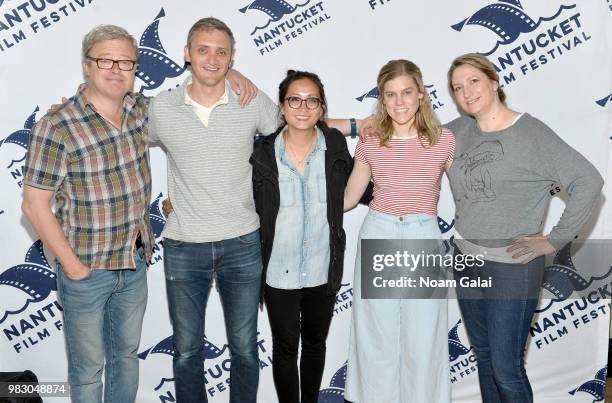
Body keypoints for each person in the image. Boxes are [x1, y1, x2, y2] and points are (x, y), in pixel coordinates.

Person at [150, 17, 363, 403]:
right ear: (186, 54)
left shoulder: (251, 102)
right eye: (203, 50)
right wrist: (79, 99)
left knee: (246, 350)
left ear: (232, 57)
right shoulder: (160, 108)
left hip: (243, 244)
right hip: (184, 245)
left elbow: (299, 123)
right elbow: (116, 132)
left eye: (222, 52)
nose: (212, 59)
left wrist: (362, 124)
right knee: (185, 353)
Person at [445, 52, 604, 403]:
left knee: (506, 368)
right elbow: (402, 132)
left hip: (513, 267)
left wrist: (555, 239)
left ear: (494, 81)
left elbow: (588, 181)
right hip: (466, 262)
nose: (467, 92)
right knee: (484, 359)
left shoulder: (530, 132)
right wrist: (349, 125)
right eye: (458, 87)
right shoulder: (455, 132)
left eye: (474, 81)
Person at [21, 25, 153, 403]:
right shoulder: (57, 124)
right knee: (87, 370)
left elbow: (197, 99)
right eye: (106, 60)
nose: (116, 69)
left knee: (126, 358)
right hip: (86, 271)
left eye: (126, 61)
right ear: (87, 65)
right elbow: (34, 204)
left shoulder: (140, 110)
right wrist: (73, 268)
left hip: (133, 263)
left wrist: (232, 72)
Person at [249, 70, 371, 403]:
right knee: (285, 348)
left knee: (315, 343)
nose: (303, 107)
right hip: (278, 269)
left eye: (311, 100)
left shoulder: (333, 144)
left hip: (322, 266)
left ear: (321, 108)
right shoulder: (261, 153)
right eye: (294, 99)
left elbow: (361, 188)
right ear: (282, 106)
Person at [343, 59, 455, 403]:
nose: (400, 101)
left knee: (424, 335)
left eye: (407, 92)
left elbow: (471, 194)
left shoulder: (444, 139)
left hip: (424, 235)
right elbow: (348, 198)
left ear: (421, 94)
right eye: (390, 94)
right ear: (382, 99)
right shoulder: (371, 139)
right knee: (377, 332)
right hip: (380, 231)